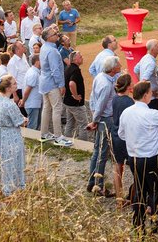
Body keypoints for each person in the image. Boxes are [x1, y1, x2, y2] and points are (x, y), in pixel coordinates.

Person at [118, 81, 158, 230]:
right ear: (146, 95)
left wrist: (135, 141)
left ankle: (138, 224)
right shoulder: (149, 114)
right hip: (151, 158)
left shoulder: (126, 112)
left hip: (133, 158)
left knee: (140, 189)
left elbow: (121, 134)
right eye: (151, 93)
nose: (152, 95)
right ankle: (156, 225)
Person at [86, 54, 119, 195]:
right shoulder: (106, 85)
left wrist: (95, 117)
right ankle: (98, 185)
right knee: (102, 153)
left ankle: (92, 182)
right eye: (118, 65)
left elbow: (93, 98)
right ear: (112, 69)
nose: (121, 66)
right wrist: (95, 120)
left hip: (101, 119)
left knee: (97, 151)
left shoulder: (100, 77)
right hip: (105, 120)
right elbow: (101, 105)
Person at [0, 74, 28, 195]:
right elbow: (19, 122)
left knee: (4, 158)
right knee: (14, 159)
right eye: (14, 83)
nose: (17, 85)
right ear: (8, 88)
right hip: (12, 134)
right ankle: (13, 185)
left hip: (2, 133)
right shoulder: (10, 104)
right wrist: (25, 120)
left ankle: (2, 183)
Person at [38, 25, 69, 146]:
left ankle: (44, 133)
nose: (57, 34)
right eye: (54, 34)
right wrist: (61, 85)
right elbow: (55, 70)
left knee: (46, 108)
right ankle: (58, 137)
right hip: (52, 83)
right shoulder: (52, 51)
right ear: (49, 38)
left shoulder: (44, 47)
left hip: (44, 82)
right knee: (57, 109)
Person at [109, 73, 135, 205]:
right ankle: (133, 195)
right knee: (135, 168)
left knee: (118, 166)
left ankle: (119, 199)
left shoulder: (115, 99)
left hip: (115, 134)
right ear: (128, 86)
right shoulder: (129, 102)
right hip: (126, 137)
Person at [63, 50, 91, 140]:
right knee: (84, 125)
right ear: (75, 59)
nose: (82, 58)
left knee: (70, 123)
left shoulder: (68, 68)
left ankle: (66, 140)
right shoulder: (75, 70)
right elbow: (71, 84)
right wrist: (75, 95)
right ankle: (83, 145)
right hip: (75, 104)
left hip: (68, 101)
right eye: (80, 57)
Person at [133, 39, 158, 108]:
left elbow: (136, 70)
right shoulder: (151, 63)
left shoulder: (144, 58)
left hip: (147, 97)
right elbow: (144, 80)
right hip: (151, 99)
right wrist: (150, 92)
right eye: (157, 46)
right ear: (153, 49)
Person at [22, 54, 43, 131]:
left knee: (35, 125)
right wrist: (23, 101)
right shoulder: (33, 74)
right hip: (32, 104)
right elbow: (28, 89)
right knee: (32, 126)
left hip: (34, 103)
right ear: (37, 62)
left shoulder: (34, 72)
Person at [6, 39, 29, 107]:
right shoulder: (12, 63)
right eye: (22, 46)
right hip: (19, 90)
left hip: (26, 88)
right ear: (17, 50)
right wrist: (15, 95)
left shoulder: (23, 56)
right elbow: (11, 80)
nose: (24, 46)